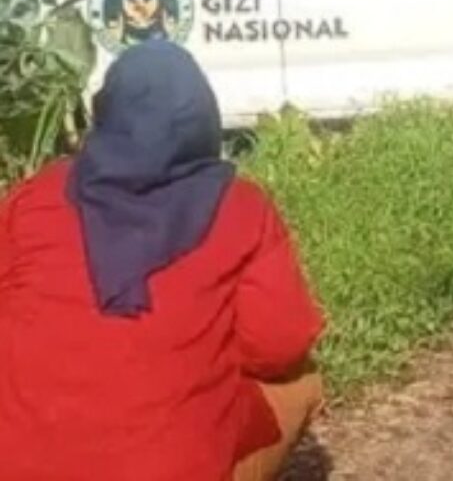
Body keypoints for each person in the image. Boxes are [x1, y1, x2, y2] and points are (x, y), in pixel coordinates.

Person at [0, 41, 324, 481]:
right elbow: (280, 345)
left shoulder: (34, 199)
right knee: (300, 382)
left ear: (105, 112)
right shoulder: (242, 210)